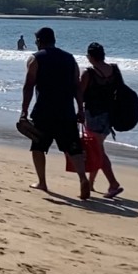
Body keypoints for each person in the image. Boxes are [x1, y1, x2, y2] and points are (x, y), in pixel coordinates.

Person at [20, 27, 91, 200]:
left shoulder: (35, 59)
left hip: (44, 111)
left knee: (38, 147)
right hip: (66, 111)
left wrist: (24, 111)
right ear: (54, 39)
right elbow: (76, 87)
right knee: (73, 147)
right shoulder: (70, 59)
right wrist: (80, 110)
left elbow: (29, 86)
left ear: (39, 41)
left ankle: (42, 182)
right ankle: (82, 178)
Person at [80, 42, 123, 198]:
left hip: (93, 115)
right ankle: (91, 183)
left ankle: (113, 183)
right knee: (96, 148)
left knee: (97, 151)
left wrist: (79, 112)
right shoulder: (114, 70)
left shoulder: (88, 73)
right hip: (109, 115)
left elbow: (79, 94)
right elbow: (120, 91)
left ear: (90, 56)